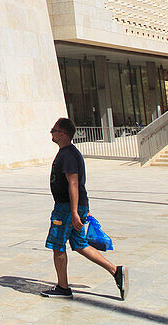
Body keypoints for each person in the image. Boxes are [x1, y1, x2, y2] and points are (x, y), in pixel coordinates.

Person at [41, 118, 127, 300]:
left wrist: (74, 212)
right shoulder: (68, 153)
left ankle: (63, 288)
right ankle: (115, 271)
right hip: (72, 206)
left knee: (57, 245)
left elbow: (73, 184)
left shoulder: (68, 155)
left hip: (66, 209)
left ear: (62, 134)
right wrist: (81, 208)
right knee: (80, 245)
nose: (51, 133)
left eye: (53, 130)